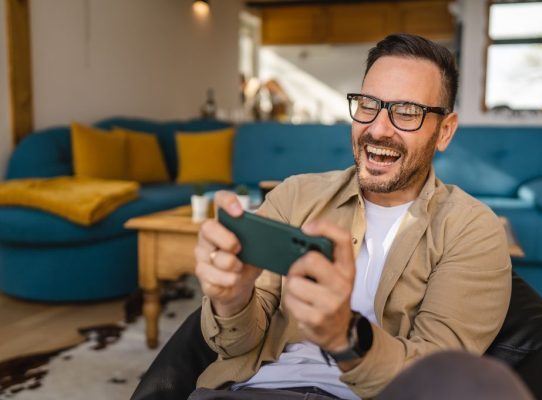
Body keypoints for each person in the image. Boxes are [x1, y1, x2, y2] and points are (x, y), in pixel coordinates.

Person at [191, 33, 513, 399]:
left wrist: (346, 335)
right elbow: (235, 346)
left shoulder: (470, 229)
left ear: (445, 131)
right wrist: (232, 299)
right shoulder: (295, 195)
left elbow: (438, 378)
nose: (377, 129)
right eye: (367, 104)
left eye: (407, 112)